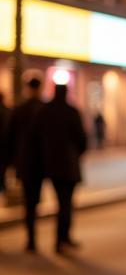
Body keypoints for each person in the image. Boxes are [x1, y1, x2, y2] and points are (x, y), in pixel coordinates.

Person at [38, 82, 88, 253]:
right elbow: (82, 139)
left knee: (61, 202)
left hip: (52, 165)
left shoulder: (45, 111)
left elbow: (38, 137)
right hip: (69, 164)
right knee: (66, 203)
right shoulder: (72, 112)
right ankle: (63, 238)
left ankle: (60, 239)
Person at [4, 74, 46, 251]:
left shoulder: (19, 109)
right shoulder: (44, 109)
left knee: (29, 201)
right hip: (41, 162)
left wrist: (10, 161)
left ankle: (31, 238)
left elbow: (9, 137)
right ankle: (35, 236)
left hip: (24, 162)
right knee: (34, 199)